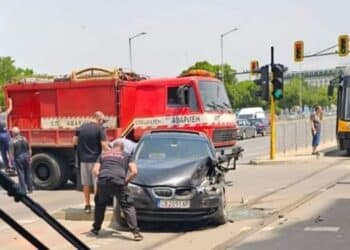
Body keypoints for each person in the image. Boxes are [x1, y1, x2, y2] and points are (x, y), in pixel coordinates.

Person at [91, 141, 143, 241]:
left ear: (112, 147)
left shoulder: (103, 155)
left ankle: (96, 229)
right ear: (122, 149)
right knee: (127, 206)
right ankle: (136, 233)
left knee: (100, 205)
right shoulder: (126, 155)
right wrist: (125, 181)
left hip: (103, 181)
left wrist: (102, 177)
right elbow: (134, 171)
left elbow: (95, 170)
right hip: (119, 182)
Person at [73, 111, 109, 213]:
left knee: (86, 184)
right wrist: (111, 151)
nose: (103, 123)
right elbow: (104, 145)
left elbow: (74, 141)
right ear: (99, 119)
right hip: (96, 161)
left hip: (83, 160)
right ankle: (97, 205)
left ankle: (87, 205)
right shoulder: (100, 129)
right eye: (102, 121)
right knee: (96, 183)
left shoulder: (81, 127)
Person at [9, 127, 32, 194]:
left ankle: (23, 190)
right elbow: (29, 148)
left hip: (19, 158)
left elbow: (11, 153)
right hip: (26, 156)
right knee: (28, 173)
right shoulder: (24, 139)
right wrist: (29, 157)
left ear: (13, 133)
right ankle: (30, 188)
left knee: (21, 174)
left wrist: (11, 162)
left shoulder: (12, 141)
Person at [0, 98, 15, 175]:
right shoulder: (3, 115)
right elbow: (10, 109)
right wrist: (10, 102)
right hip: (5, 135)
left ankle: (7, 168)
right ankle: (13, 167)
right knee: (10, 151)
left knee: (3, 153)